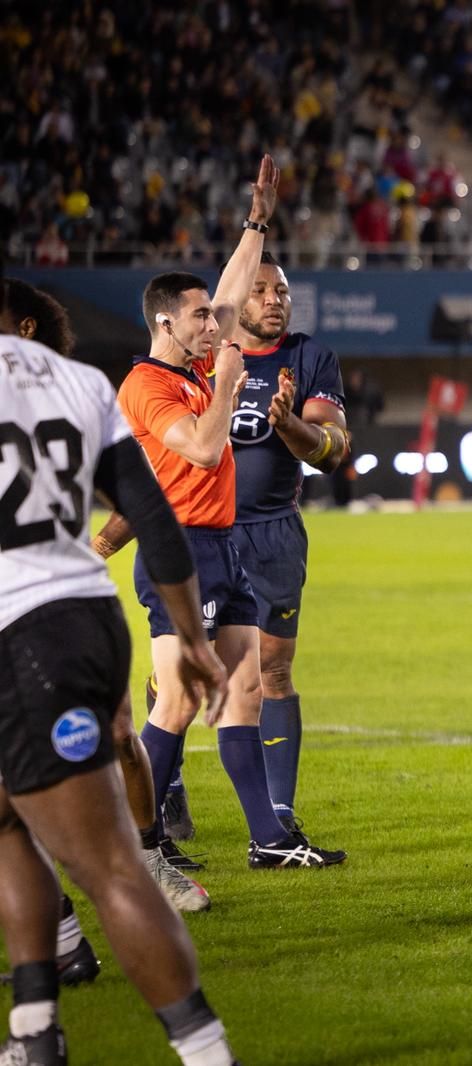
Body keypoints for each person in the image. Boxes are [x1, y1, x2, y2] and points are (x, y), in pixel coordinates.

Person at [0, 279, 241, 1063]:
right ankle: (37, 1027)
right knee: (8, 819)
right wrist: (193, 639)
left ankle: (207, 1053)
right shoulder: (79, 381)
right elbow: (149, 508)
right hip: (83, 616)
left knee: (108, 863)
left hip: (20, 632)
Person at [99, 156, 343, 870]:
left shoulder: (194, 365)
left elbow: (233, 290)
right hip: (181, 555)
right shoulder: (149, 385)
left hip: (225, 548)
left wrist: (257, 221)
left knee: (242, 692)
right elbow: (204, 455)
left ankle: (268, 837)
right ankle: (140, 846)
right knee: (175, 703)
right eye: (202, 316)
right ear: (166, 322)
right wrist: (232, 380)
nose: (218, 322)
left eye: (214, 314)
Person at [223, 251, 348, 831]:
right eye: (261, 291)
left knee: (272, 670)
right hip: (203, 531)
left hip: (273, 533)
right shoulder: (209, 358)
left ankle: (279, 810)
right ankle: (166, 787)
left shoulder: (309, 357)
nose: (275, 300)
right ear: (235, 302)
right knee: (184, 669)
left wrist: (289, 423)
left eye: (282, 291)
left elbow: (332, 448)